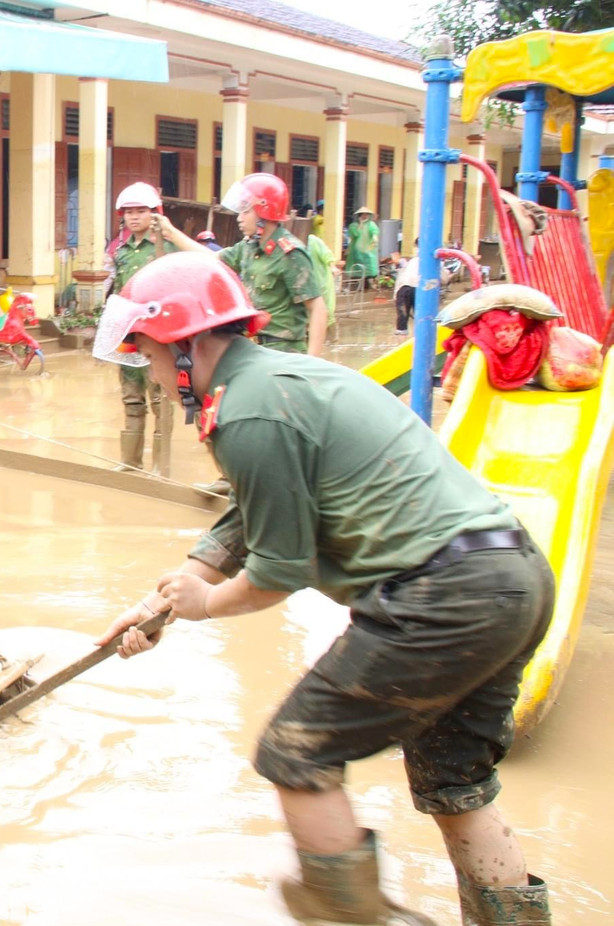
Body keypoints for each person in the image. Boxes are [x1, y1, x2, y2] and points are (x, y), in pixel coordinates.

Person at [93, 251, 554, 926]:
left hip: (442, 597)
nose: (152, 373)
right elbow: (249, 517)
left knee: (294, 753)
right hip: (513, 579)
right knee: (455, 783)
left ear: (186, 347)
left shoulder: (248, 414)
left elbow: (276, 574)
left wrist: (205, 605)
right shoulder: (285, 380)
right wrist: (163, 602)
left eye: (149, 353)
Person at [154, 172, 328, 356]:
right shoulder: (248, 247)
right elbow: (212, 258)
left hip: (283, 352)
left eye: (246, 211)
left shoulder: (290, 253)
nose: (239, 218)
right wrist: (171, 232)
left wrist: (312, 361)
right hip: (252, 347)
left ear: (263, 212)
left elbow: (317, 308)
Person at [101, 181, 177, 476]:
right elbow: (118, 293)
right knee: (131, 397)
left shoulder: (166, 248)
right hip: (129, 334)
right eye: (129, 212)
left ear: (154, 213)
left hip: (157, 336)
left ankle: (161, 463)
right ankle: (130, 462)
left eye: (140, 211)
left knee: (160, 398)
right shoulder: (120, 252)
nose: (134, 217)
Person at [347, 206, 381, 290]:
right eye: (363, 214)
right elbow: (355, 234)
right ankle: (359, 285)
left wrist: (375, 238)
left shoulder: (371, 224)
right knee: (358, 268)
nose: (365, 216)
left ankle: (369, 285)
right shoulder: (353, 226)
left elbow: (374, 232)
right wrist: (360, 225)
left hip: (368, 251)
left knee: (369, 268)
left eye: (366, 214)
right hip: (357, 251)